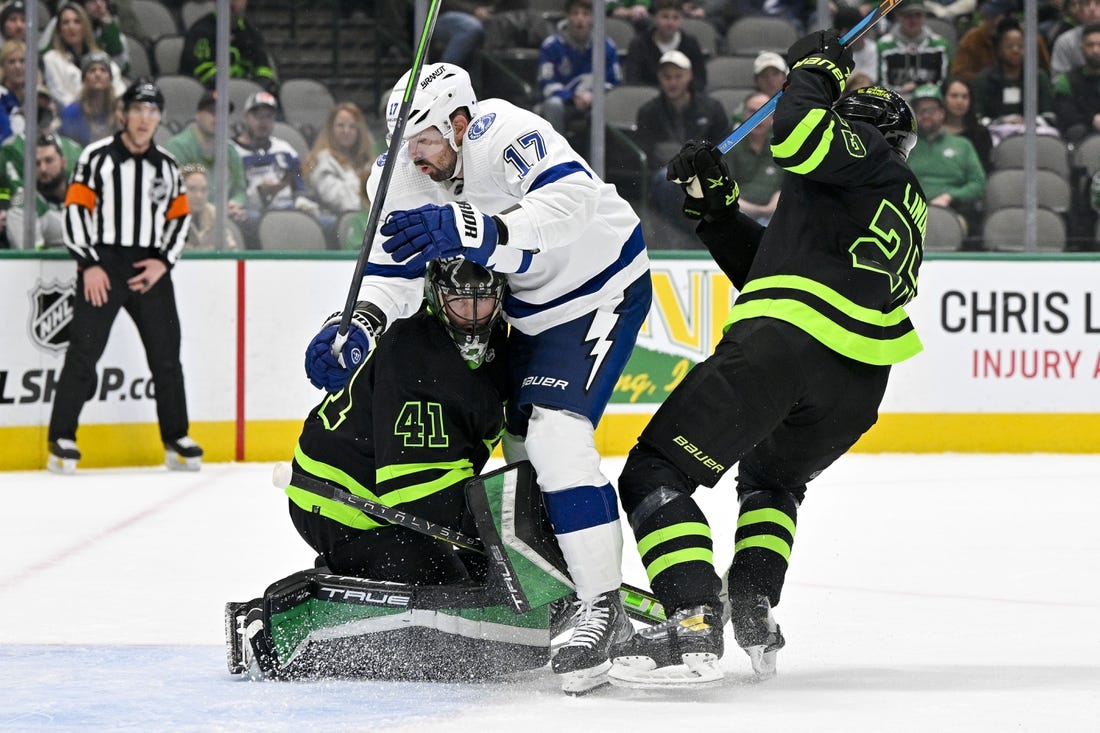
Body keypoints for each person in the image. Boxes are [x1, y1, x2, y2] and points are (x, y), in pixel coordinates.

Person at [303, 62, 652, 694]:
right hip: (524, 310)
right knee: (521, 456)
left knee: (553, 438)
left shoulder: (502, 131)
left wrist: (477, 228)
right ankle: (562, 586)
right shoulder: (404, 172)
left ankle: (602, 608)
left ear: (460, 123)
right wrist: (354, 324)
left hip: (597, 290)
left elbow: (569, 204)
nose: (418, 156)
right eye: (407, 143)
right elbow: (394, 274)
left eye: (428, 140)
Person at [605, 29, 925, 686]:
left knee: (654, 471)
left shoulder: (859, 157)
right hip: (857, 384)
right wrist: (718, 214)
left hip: (787, 342)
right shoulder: (884, 197)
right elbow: (778, 269)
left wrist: (815, 70)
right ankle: (750, 601)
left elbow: (798, 132)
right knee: (772, 481)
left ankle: (693, 612)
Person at [47, 79, 201, 474]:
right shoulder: (96, 158)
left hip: (150, 267)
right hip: (104, 263)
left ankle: (176, 436)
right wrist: (89, 263)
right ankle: (61, 438)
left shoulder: (167, 165)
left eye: (153, 112)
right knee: (84, 352)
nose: (145, 118)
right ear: (123, 114)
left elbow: (179, 219)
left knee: (167, 358)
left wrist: (163, 262)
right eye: (138, 109)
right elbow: (76, 210)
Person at [635, 49, 727, 245]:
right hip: (666, 175)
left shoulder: (712, 108)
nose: (673, 82)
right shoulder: (648, 112)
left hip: (705, 172)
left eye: (678, 76)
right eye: (667, 77)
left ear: (689, 76)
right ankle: (681, 238)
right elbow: (647, 153)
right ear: (660, 78)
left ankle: (704, 237)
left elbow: (723, 145)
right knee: (667, 180)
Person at [233, 90, 324, 248]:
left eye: (268, 116)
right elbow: (233, 193)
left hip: (288, 208)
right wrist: (261, 192)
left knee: (327, 222)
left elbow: (299, 189)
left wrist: (305, 204)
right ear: (246, 117)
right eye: (258, 116)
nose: (263, 122)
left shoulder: (285, 149)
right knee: (250, 220)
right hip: (251, 212)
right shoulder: (232, 151)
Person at [907, 83, 985, 246]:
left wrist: (950, 196)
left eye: (932, 110)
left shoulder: (962, 145)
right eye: (921, 110)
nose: (926, 115)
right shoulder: (904, 145)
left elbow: (978, 184)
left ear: (942, 113)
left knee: (943, 226)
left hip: (953, 211)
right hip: (909, 212)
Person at [537, 0, 624, 146]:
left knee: (607, 106)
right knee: (553, 105)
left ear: (592, 18)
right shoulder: (551, 45)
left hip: (594, 101)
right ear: (567, 16)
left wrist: (593, 95)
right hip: (565, 103)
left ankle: (599, 162)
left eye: (585, 14)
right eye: (575, 13)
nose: (580, 19)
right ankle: (557, 156)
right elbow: (546, 84)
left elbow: (615, 82)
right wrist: (572, 97)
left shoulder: (606, 46)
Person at [164, 89, 248, 228]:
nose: (217, 118)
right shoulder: (178, 146)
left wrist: (235, 202)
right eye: (211, 112)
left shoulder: (231, 151)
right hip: (189, 217)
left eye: (222, 113)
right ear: (197, 115)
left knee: (250, 220)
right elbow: (177, 192)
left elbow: (240, 189)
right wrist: (216, 209)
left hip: (226, 215)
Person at [971, 17, 1058, 144]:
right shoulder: (983, 80)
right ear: (998, 49)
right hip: (995, 135)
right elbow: (977, 117)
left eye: (1020, 46)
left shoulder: (1038, 77)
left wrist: (1026, 121)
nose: (1015, 50)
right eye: (1009, 46)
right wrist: (1004, 122)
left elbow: (1050, 115)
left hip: (1033, 134)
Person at [41, 1, 127, 109]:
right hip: (69, 118)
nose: (71, 27)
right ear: (59, 30)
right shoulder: (51, 58)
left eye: (77, 22)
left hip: (103, 117)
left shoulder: (100, 56)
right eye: (65, 23)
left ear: (85, 26)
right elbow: (60, 95)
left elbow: (117, 88)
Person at [180, 0, 278, 94]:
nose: (232, 2)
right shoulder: (200, 31)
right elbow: (203, 75)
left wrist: (258, 86)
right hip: (208, 99)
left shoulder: (252, 32)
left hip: (245, 97)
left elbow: (264, 70)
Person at [302, 102, 375, 222]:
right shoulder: (321, 160)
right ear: (330, 129)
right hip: (340, 224)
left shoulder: (367, 163)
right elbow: (341, 201)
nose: (346, 131)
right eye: (340, 125)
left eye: (352, 126)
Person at [952, 0, 1050, 81]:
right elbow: (959, 73)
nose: (992, 22)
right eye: (988, 17)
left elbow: (1045, 74)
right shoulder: (972, 39)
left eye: (996, 17)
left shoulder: (1031, 40)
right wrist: (985, 83)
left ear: (1010, 18)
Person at [6, 133, 72, 249]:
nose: (43, 169)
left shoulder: (83, 190)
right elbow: (32, 259)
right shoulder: (23, 203)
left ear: (63, 162)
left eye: (49, 160)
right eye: (37, 163)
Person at [625, 0, 709, 91]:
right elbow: (633, 80)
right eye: (665, 17)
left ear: (681, 20)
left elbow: (700, 80)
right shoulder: (639, 45)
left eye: (675, 18)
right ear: (655, 18)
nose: (670, 23)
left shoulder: (690, 43)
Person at [726, 90, 783, 225]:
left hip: (774, 214)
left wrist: (771, 208)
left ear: (772, 117)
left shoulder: (780, 146)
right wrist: (757, 210)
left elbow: (784, 188)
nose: (758, 118)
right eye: (752, 112)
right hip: (738, 212)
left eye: (764, 112)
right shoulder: (730, 147)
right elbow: (723, 191)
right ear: (743, 115)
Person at [876, 0, 952, 95]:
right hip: (895, 102)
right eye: (908, 15)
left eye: (918, 15)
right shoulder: (883, 46)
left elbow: (946, 84)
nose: (913, 20)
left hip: (931, 101)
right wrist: (901, 90)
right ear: (898, 16)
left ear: (925, 16)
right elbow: (879, 84)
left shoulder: (940, 45)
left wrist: (925, 90)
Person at [57, 51, 120, 145]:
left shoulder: (119, 112)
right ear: (84, 79)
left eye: (103, 70)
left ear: (110, 78)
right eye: (92, 70)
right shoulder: (71, 113)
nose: (98, 74)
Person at [1054, 22, 1100, 143]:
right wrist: (1092, 120)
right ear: (1082, 48)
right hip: (1083, 135)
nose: (1095, 50)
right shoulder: (1067, 80)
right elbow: (1066, 116)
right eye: (1090, 45)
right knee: (1076, 130)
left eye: (1099, 44)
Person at [180, 162, 240, 251]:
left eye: (203, 190)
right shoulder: (166, 217)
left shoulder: (215, 214)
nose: (198, 196)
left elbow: (232, 250)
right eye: (192, 189)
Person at [940, 75, 993, 171]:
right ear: (943, 98)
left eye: (965, 97)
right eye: (954, 96)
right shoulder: (931, 131)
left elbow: (982, 170)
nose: (960, 101)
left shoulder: (980, 134)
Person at [1051, 0, 1100, 74]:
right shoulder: (1065, 42)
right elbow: (1059, 80)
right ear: (1079, 10)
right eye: (1086, 4)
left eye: (1098, 3)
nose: (1092, 9)